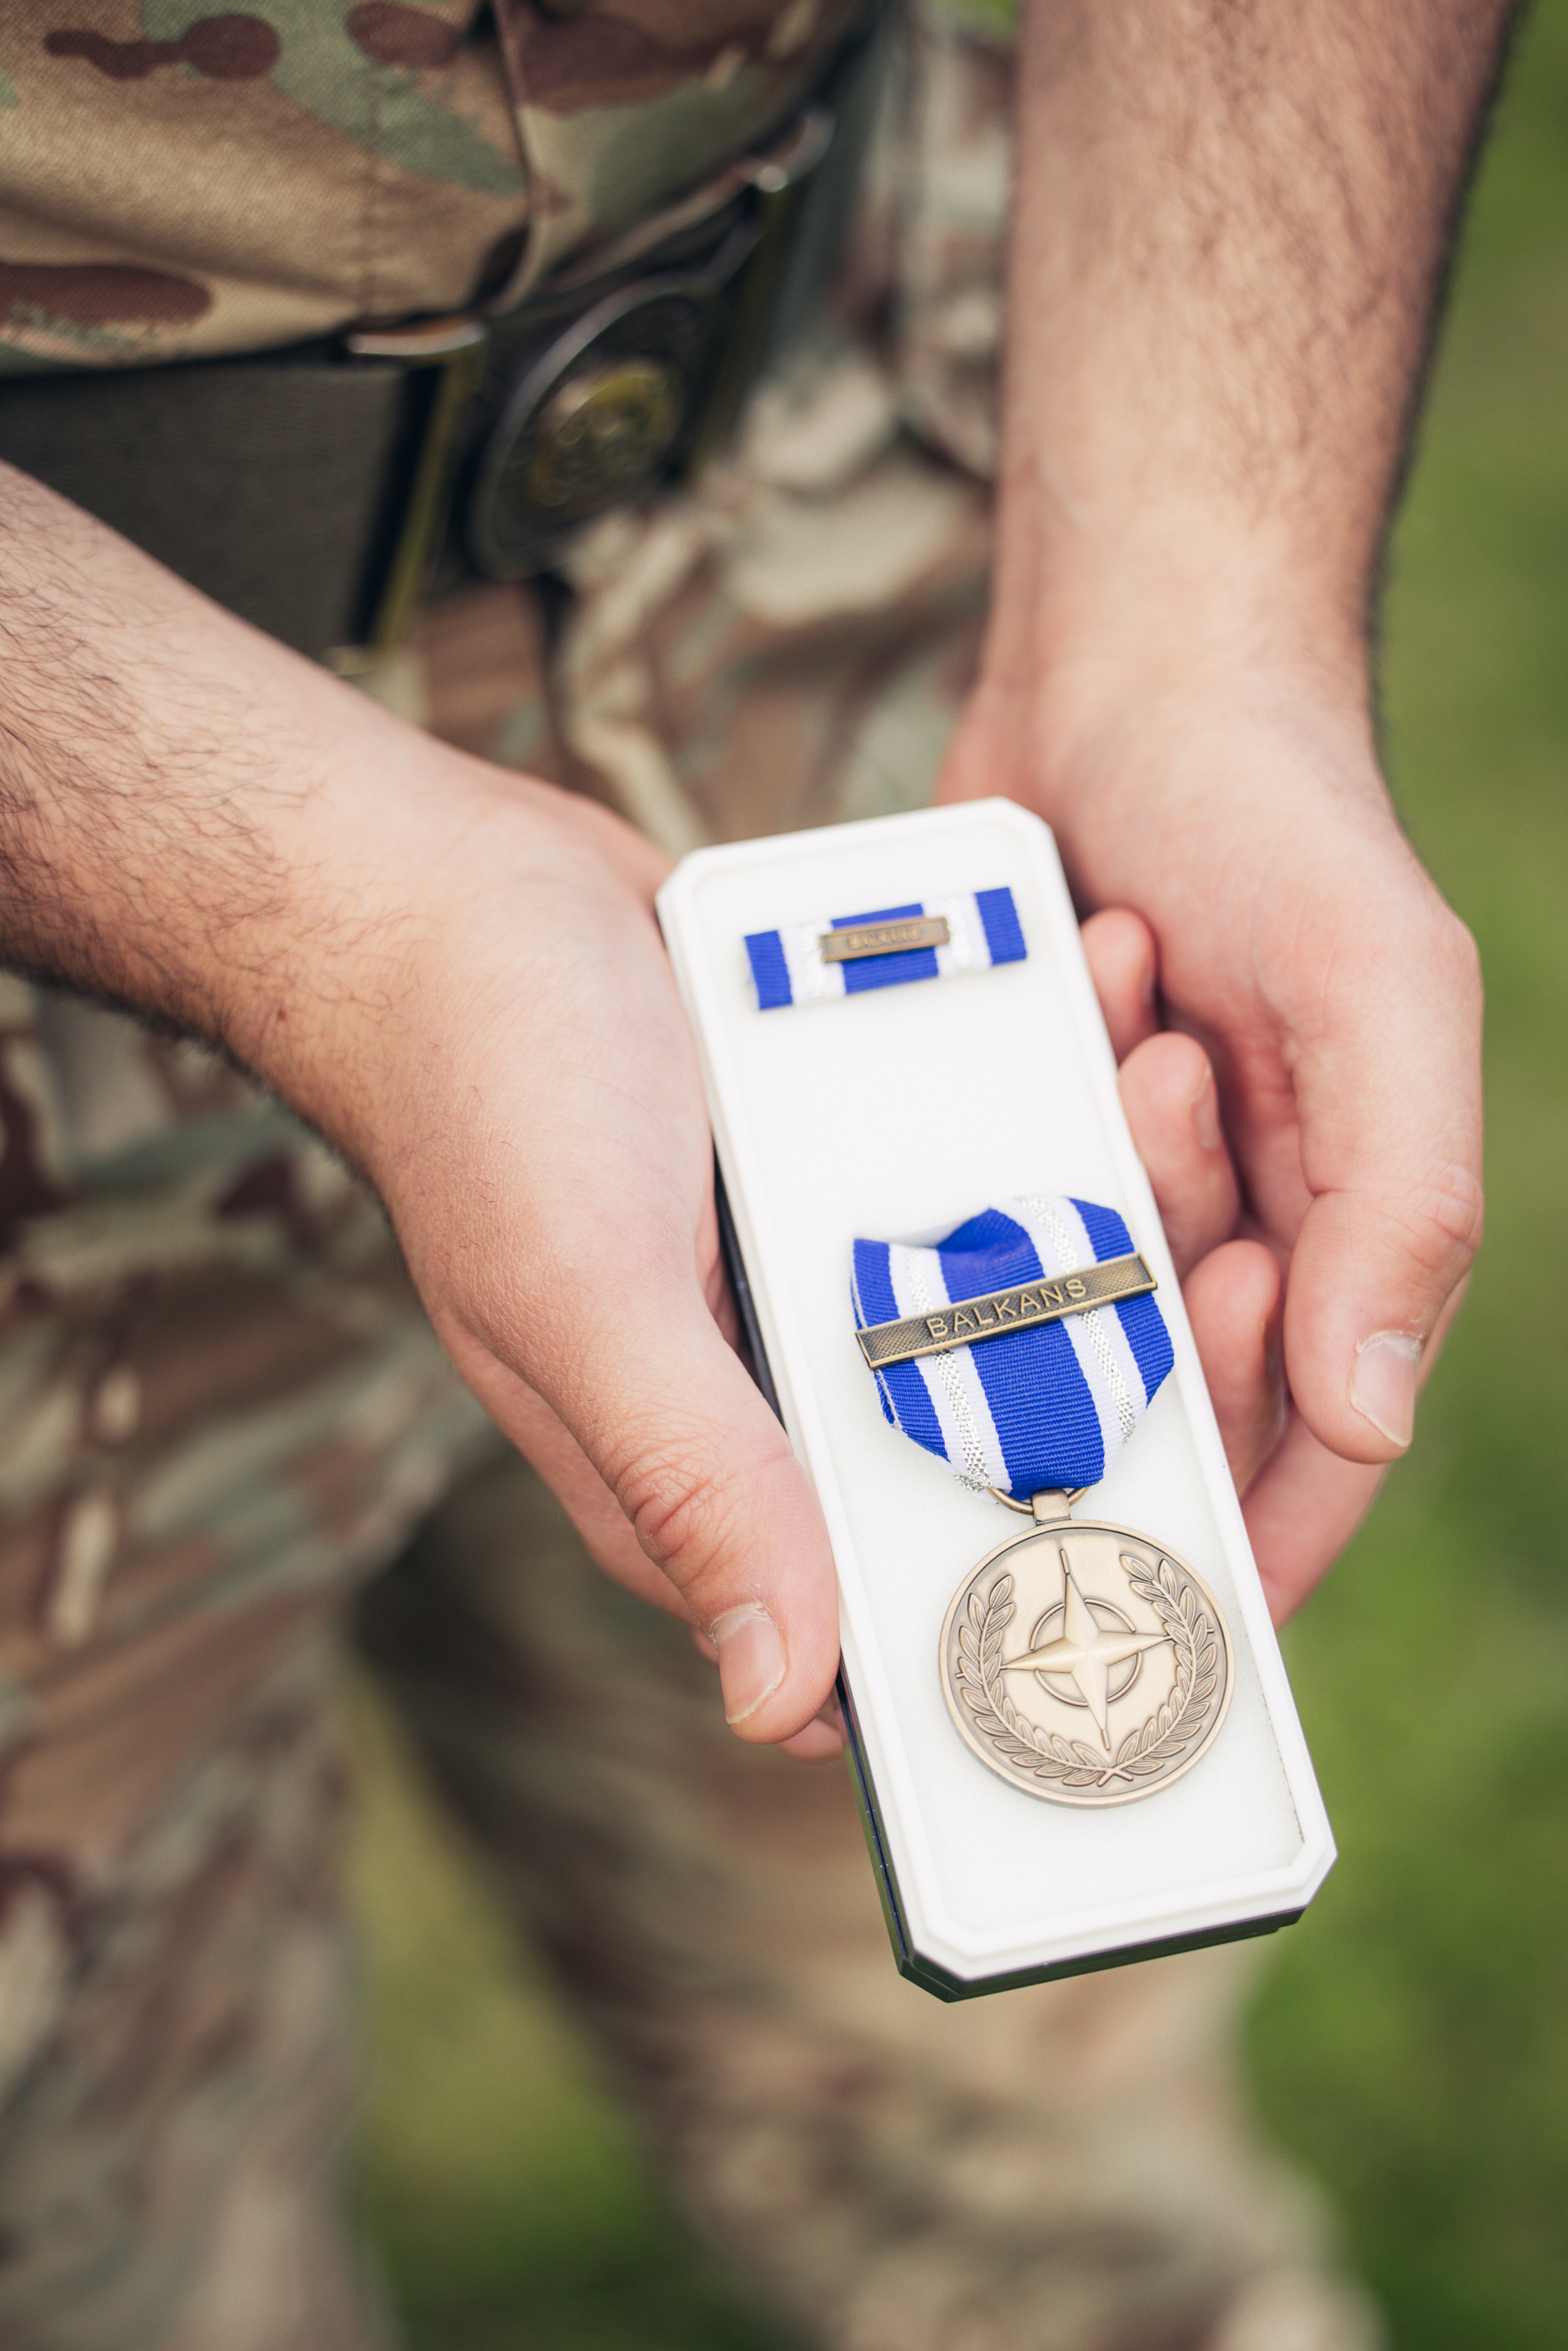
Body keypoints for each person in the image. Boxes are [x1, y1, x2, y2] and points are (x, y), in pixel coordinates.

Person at [0, 2, 1496, 2346]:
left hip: (873, 538)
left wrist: (1202, 605)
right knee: (100, 2243)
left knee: (1030, 2111)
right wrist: (316, 907)